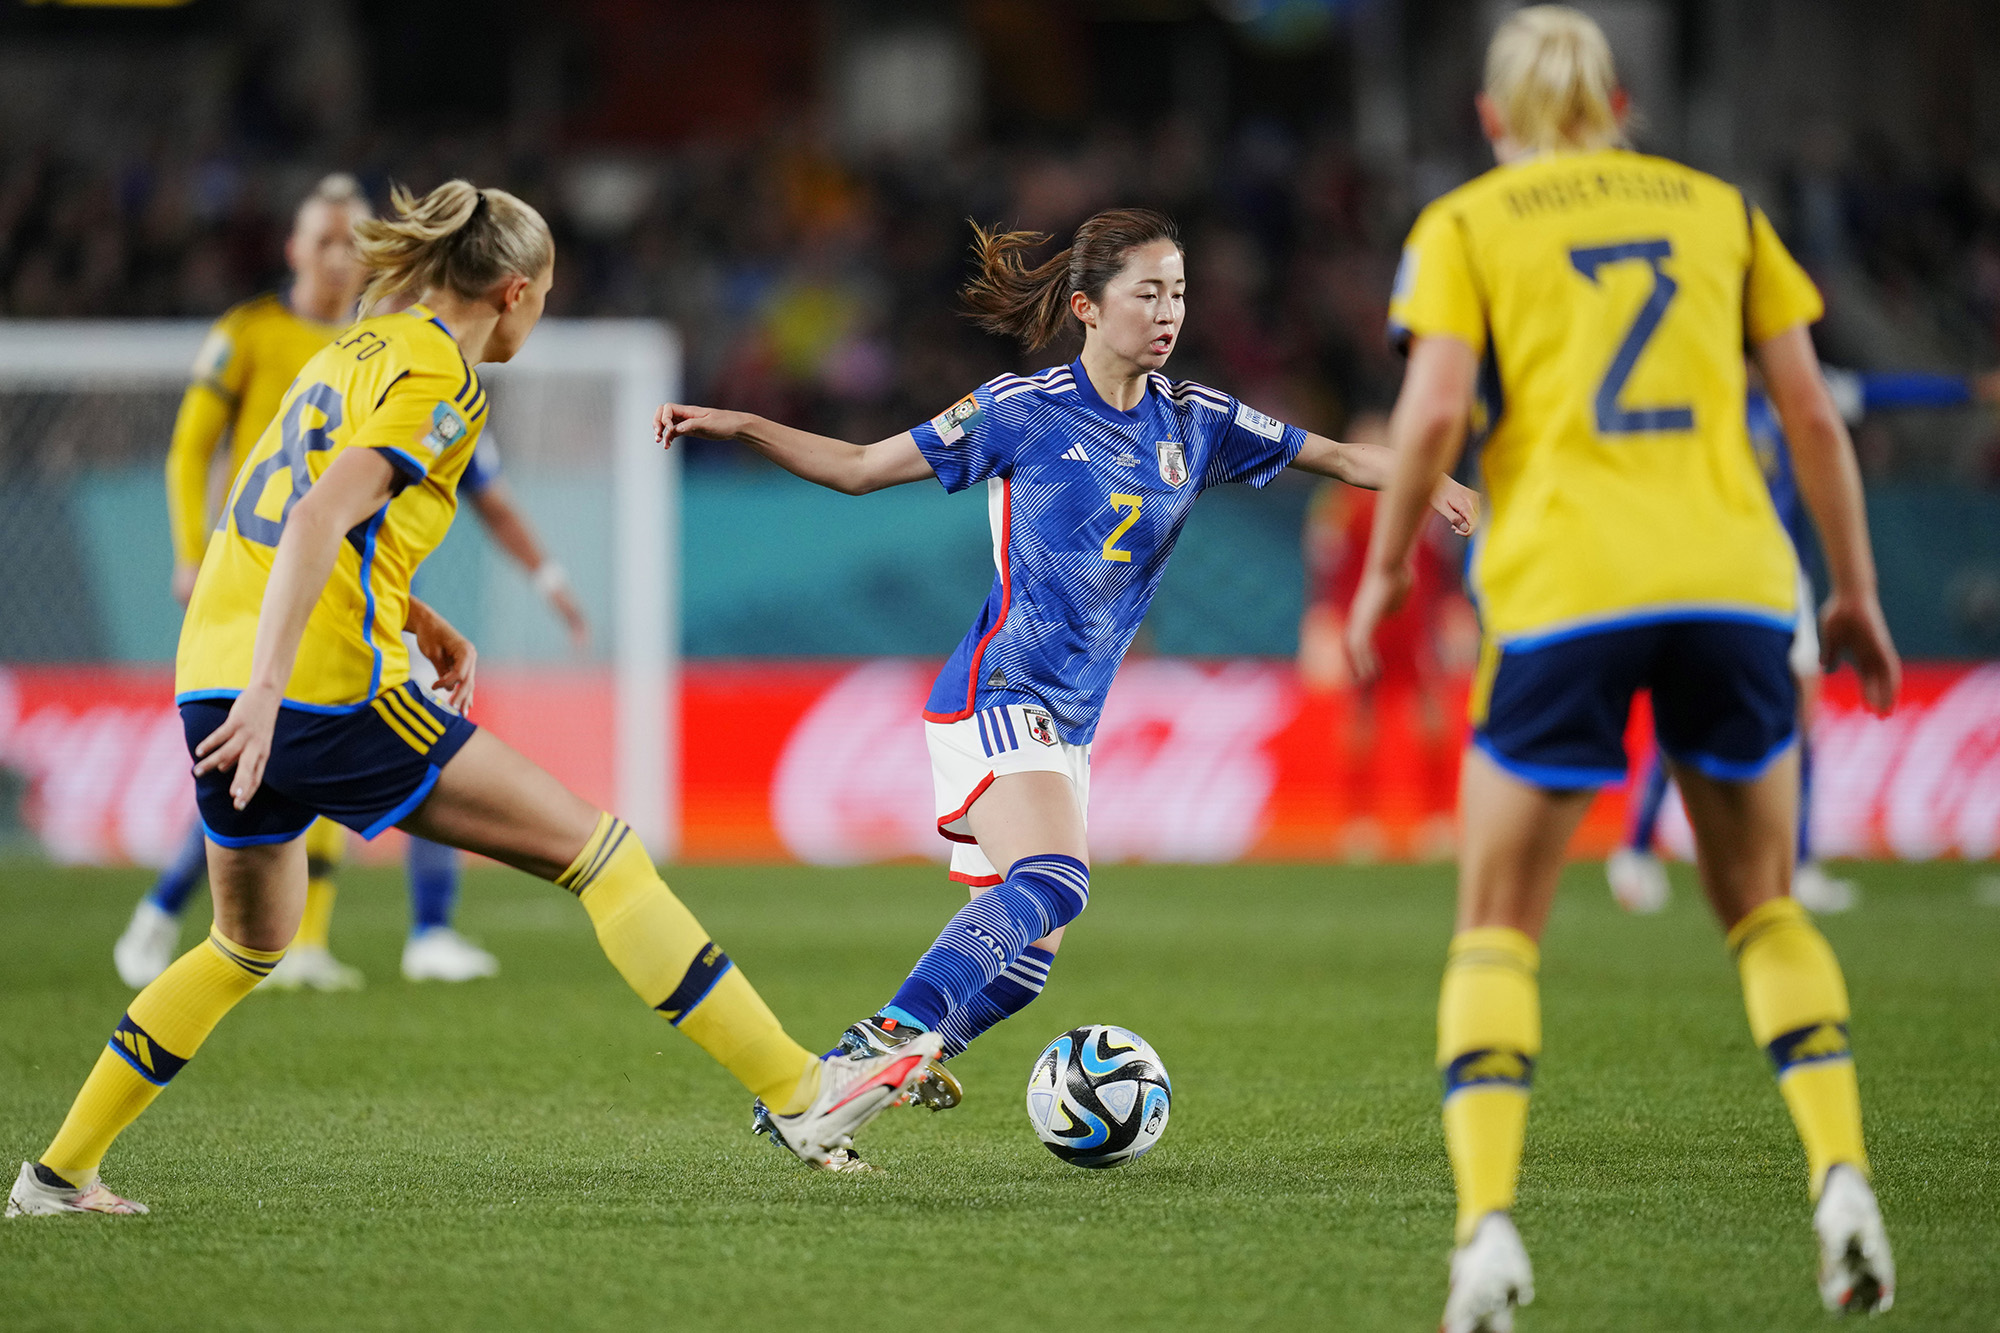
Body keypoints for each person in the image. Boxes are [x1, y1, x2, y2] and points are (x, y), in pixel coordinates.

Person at [9, 180, 931, 1218]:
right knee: (606, 856)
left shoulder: (350, 349)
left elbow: (282, 512)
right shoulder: (440, 379)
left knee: (242, 945)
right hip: (313, 689)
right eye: (543, 299)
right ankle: (803, 1092)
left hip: (207, 676)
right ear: (513, 289)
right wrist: (276, 689)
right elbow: (314, 517)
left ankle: (57, 1174)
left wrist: (411, 614)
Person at [656, 208, 1479, 1137]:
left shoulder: (1196, 420)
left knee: (1026, 962)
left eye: (1179, 292)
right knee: (1056, 876)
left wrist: (1429, 477)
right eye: (1147, 293)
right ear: (1087, 306)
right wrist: (738, 421)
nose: (1169, 312)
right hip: (999, 693)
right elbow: (856, 466)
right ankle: (871, 1051)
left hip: (1068, 723)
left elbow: (1329, 453)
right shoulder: (1021, 409)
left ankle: (829, 1106)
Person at [1344, 9, 1901, 1327]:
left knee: (1497, 923)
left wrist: (1378, 577)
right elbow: (1813, 413)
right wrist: (1856, 593)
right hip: (1732, 580)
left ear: (1493, 119)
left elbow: (1429, 412)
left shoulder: (1469, 224)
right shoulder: (1722, 211)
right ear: (1623, 103)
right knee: (1764, 905)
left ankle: (1486, 1234)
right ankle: (1841, 1183)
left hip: (1566, 584)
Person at [112, 177, 590, 991]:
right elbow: (199, 453)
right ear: (294, 249)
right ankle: (178, 912)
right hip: (267, 572)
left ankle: (314, 940)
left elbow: (484, 490)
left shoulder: (388, 350)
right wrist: (191, 552)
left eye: (349, 239)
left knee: (319, 761)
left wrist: (520, 579)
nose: (338, 256)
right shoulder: (270, 338)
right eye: (323, 239)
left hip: (343, 576)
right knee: (361, 748)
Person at [1611, 365, 1997, 915]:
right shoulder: (1698, 396)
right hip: (1708, 575)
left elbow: (1881, 392)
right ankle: (1635, 849)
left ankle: (1801, 863)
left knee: (1803, 717)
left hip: (1784, 580)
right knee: (1687, 712)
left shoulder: (1799, 395)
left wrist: (1966, 388)